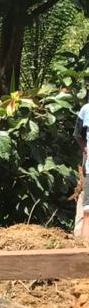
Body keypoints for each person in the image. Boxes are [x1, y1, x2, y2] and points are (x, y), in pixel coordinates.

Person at [72, 96, 89, 240]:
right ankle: (83, 245)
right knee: (87, 211)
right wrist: (86, 151)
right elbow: (78, 135)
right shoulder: (86, 110)